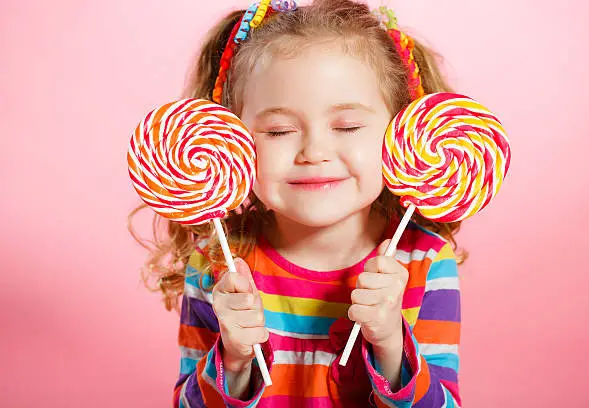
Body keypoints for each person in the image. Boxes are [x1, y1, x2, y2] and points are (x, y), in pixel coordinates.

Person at [130, 0, 464, 406]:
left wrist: (391, 344)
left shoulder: (424, 263)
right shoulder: (219, 263)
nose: (314, 151)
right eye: (278, 131)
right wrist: (233, 361)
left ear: (401, 130)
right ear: (230, 137)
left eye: (348, 125)